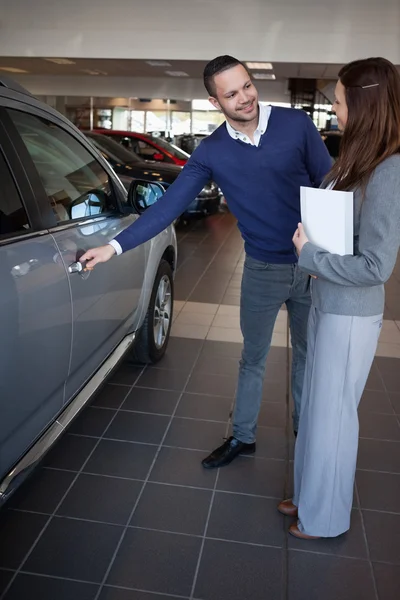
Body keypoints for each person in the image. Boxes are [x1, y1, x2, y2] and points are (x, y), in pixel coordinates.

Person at [81, 55, 331, 468]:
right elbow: (168, 207)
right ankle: (243, 437)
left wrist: (341, 248)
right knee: (253, 357)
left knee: (308, 354)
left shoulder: (296, 125)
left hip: (312, 265)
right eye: (231, 94)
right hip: (263, 270)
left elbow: (329, 184)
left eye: (247, 86)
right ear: (216, 103)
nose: (245, 98)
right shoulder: (211, 152)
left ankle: (306, 432)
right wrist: (113, 247)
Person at [278, 57, 400, 539]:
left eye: (340, 98)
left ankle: (325, 519)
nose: (333, 105)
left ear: (364, 103)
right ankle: (310, 496)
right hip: (327, 301)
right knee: (316, 411)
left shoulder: (390, 171)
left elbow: (376, 267)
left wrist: (309, 254)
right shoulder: (357, 157)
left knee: (333, 417)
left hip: (350, 313)